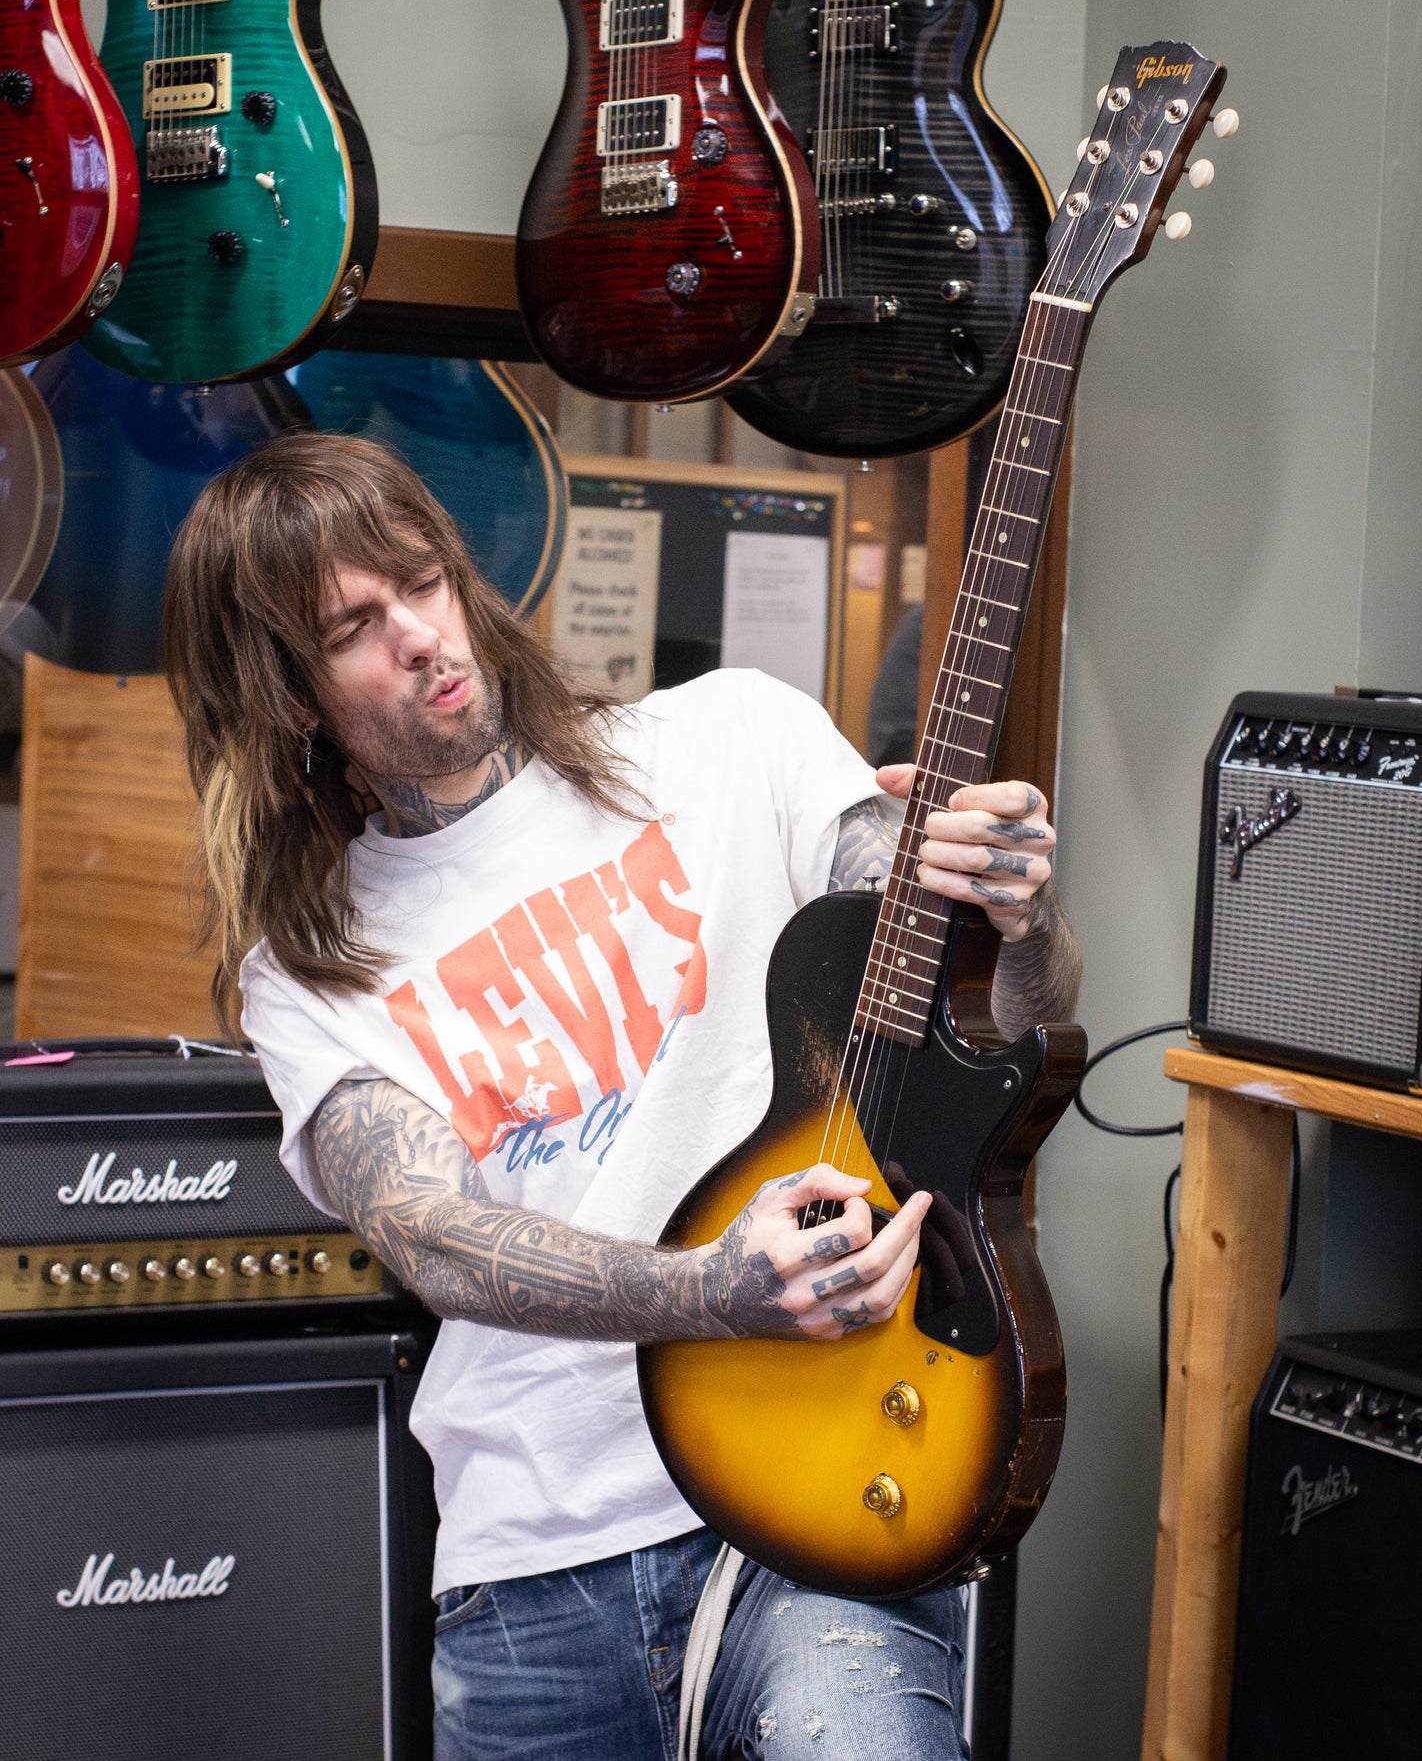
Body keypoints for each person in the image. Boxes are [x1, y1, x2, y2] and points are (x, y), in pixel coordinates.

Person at [163, 434, 1081, 1761]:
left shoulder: (731, 737)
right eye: (356, 627)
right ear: (289, 696)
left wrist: (1017, 908)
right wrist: (712, 1289)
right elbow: (431, 1231)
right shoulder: (309, 970)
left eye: (422, 579)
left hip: (814, 1494)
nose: (423, 634)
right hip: (532, 1566)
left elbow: (994, 1007)